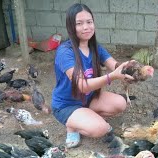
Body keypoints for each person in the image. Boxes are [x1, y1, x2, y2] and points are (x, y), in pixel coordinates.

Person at [51, 3, 134, 148]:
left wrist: (128, 68)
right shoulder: (65, 52)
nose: (86, 27)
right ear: (71, 26)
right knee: (101, 128)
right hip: (66, 105)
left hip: (88, 99)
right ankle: (72, 126)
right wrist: (112, 76)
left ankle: (85, 117)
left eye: (89, 22)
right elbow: (82, 86)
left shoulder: (94, 47)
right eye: (79, 23)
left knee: (121, 103)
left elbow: (113, 65)